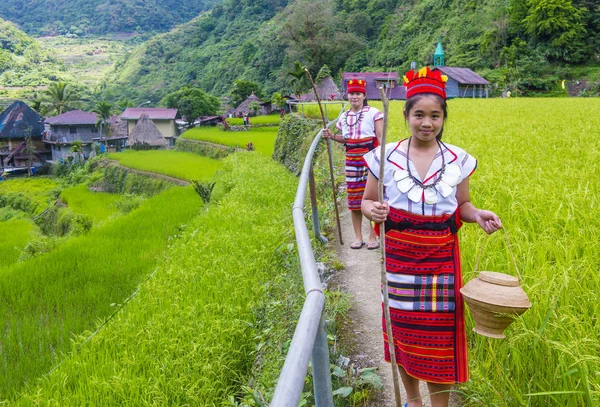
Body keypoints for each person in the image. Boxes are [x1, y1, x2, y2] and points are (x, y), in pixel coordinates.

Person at [361, 67, 502, 407]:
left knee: (440, 337)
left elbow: (463, 205)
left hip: (441, 260)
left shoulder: (457, 159)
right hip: (397, 259)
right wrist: (372, 211)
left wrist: (477, 215)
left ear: (443, 118)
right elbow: (367, 200)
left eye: (435, 116)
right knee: (402, 331)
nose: (427, 123)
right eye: (419, 115)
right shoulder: (385, 157)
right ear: (406, 115)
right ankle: (413, 399)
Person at [323, 79, 383, 250]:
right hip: (351, 161)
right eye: (351, 93)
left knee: (373, 198)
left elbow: (380, 136)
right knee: (354, 199)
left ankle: (373, 236)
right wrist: (332, 136)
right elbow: (345, 138)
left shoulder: (374, 113)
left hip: (371, 160)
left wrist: (381, 158)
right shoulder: (344, 117)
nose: (354, 96)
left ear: (364, 95)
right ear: (347, 95)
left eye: (358, 93)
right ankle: (358, 237)